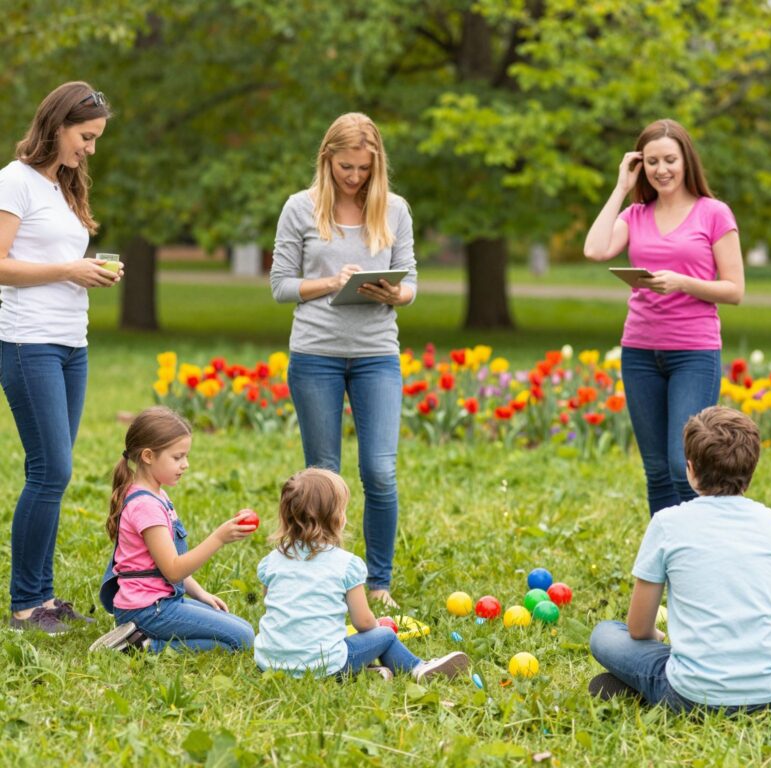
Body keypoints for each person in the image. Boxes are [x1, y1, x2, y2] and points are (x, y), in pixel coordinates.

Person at [270, 113, 416, 608]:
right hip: (316, 354)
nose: (354, 177)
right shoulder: (300, 209)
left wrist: (394, 293)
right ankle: (325, 576)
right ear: (326, 159)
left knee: (379, 471)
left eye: (363, 168)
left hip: (377, 353)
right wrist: (333, 282)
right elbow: (280, 286)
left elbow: (412, 282)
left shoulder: (394, 210)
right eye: (345, 166)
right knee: (323, 474)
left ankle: (379, 582)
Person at [0, 81, 121, 634]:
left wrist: (86, 270)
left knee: (51, 472)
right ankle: (26, 605)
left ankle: (42, 597)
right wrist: (68, 270)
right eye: (86, 136)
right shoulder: (15, 181)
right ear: (57, 125)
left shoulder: (62, 188)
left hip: (73, 344)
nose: (90, 148)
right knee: (52, 469)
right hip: (29, 343)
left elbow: (53, 259)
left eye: (96, 139)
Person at [583, 119, 744, 516]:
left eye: (670, 159)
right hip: (639, 352)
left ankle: (697, 551)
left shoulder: (713, 213)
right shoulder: (635, 214)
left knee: (682, 465)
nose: (661, 169)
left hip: (693, 352)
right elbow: (594, 249)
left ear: (686, 160)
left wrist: (683, 283)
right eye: (652, 161)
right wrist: (621, 188)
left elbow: (735, 289)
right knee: (656, 470)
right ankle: (667, 555)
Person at [588, 406, 771, 714]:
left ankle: (654, 686)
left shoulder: (668, 523)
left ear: (690, 469)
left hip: (693, 695)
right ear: (751, 471)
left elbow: (638, 628)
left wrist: (657, 640)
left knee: (604, 634)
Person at [254, 468, 469, 682]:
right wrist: (376, 632)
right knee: (384, 635)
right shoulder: (345, 565)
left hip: (270, 663)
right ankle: (419, 668)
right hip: (322, 664)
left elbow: (270, 603)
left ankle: (365, 673)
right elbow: (363, 622)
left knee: (341, 644)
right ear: (337, 519)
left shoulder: (271, 561)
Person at [89, 407, 257, 653]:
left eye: (186, 456)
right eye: (177, 457)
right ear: (148, 456)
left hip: (161, 602)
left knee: (240, 627)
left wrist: (201, 594)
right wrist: (219, 538)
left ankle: (138, 638)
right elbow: (173, 569)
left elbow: (163, 564)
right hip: (148, 610)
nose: (185, 465)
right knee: (243, 638)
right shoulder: (145, 506)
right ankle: (141, 645)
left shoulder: (158, 495)